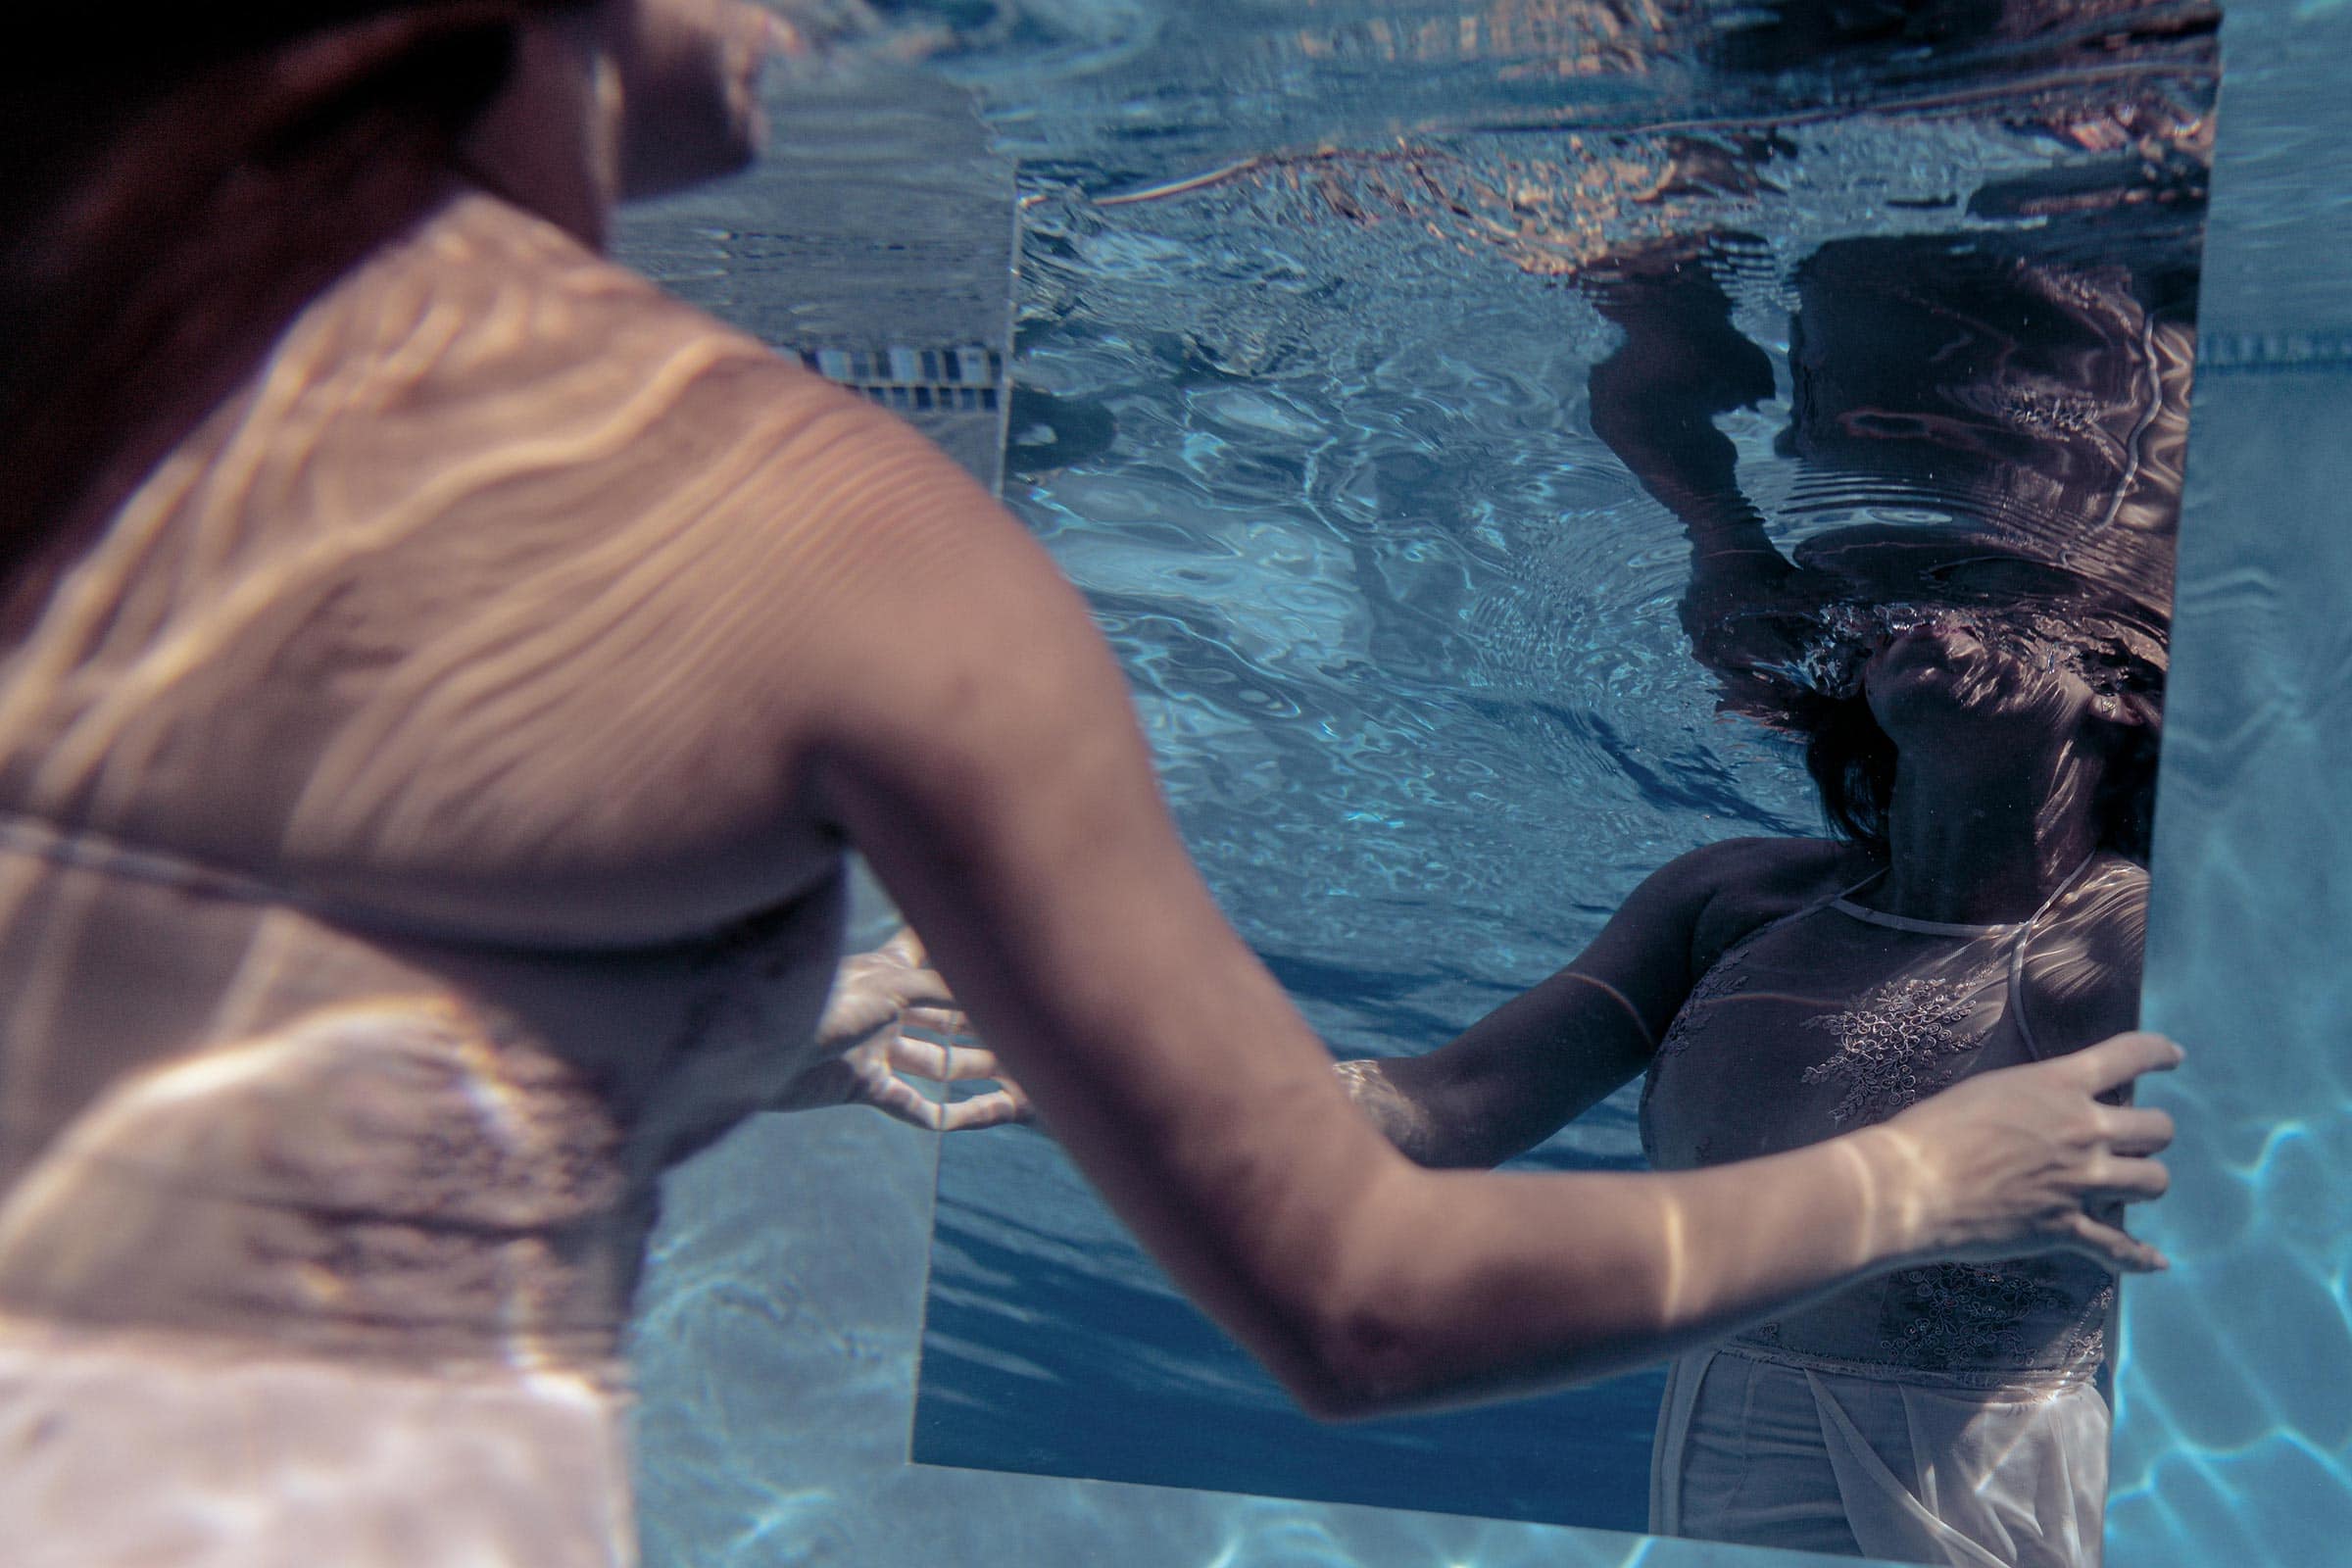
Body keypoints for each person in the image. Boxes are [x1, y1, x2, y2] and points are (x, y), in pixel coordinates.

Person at [0, 6, 2179, 1564]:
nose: (829, 9)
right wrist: (1943, 1169)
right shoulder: (806, 524)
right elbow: (1367, 1295)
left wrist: (756, 1039)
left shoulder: (88, 349)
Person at [1337, 235, 2193, 1565]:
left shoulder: (2117, 942)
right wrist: (1118, 1076)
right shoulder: (1728, 903)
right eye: (1900, 580)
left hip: (1973, 1505)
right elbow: (1439, 1118)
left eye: (1975, 578)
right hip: (1704, 1478)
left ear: (2128, 684)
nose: (1915, 604)